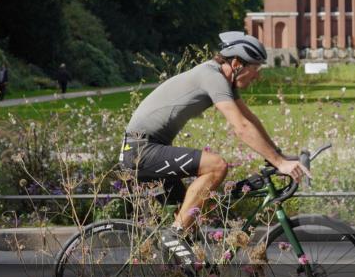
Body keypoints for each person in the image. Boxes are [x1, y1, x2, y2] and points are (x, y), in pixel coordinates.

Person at [120, 31, 309, 262]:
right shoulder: (212, 76)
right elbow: (240, 127)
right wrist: (280, 163)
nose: (257, 76)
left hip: (149, 148)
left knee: (193, 216)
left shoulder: (222, 79)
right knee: (217, 166)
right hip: (140, 151)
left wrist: (278, 156)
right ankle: (174, 237)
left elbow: (250, 121)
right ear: (237, 64)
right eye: (255, 68)